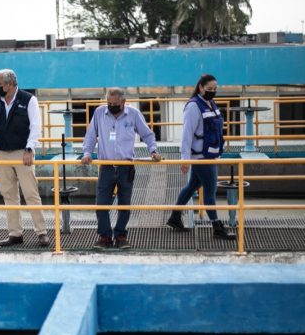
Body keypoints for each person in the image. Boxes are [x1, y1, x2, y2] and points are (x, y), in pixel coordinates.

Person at [81, 87, 162, 250]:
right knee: (101, 204)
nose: (111, 106)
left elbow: (147, 134)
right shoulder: (99, 113)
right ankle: (104, 236)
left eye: (115, 103)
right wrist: (87, 153)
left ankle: (120, 236)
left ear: (123, 102)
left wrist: (153, 151)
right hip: (106, 166)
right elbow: (91, 135)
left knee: (125, 203)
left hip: (126, 166)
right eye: (109, 103)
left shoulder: (133, 114)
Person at [0, 69, 50, 247]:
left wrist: (29, 149)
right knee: (9, 194)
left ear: (10, 84)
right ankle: (15, 233)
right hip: (2, 152)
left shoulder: (28, 100)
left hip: (22, 152)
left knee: (31, 193)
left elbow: (35, 126)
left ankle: (42, 232)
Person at [166, 74, 236, 240]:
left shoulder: (210, 104)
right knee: (210, 192)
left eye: (214, 89)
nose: (212, 92)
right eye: (209, 89)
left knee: (192, 187)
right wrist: (185, 159)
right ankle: (217, 228)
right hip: (201, 157)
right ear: (200, 88)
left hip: (209, 155)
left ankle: (175, 218)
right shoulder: (193, 107)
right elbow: (187, 135)